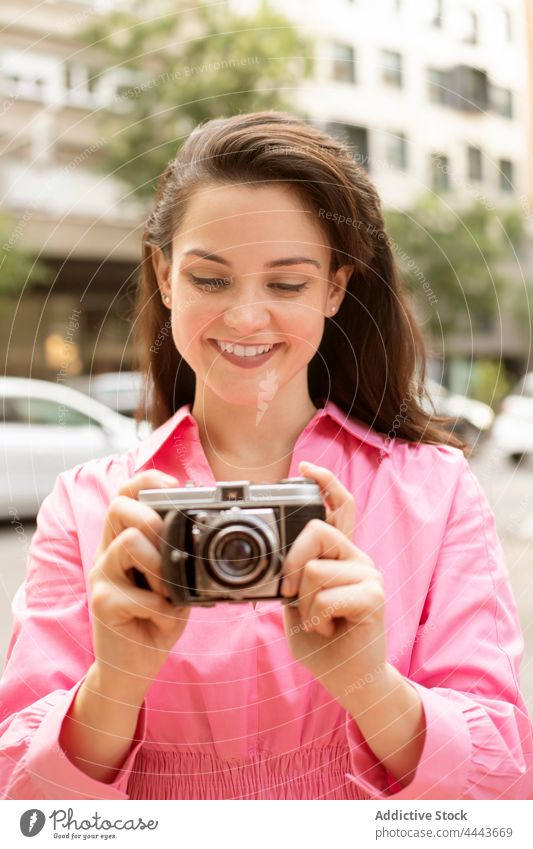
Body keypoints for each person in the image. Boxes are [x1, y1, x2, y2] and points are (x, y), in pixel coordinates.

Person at [1, 111, 532, 801]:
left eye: (286, 284)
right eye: (210, 279)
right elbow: (21, 804)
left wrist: (370, 686)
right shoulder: (90, 507)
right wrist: (114, 684)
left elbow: (503, 789)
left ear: (335, 288)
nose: (246, 318)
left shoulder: (434, 491)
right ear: (165, 276)